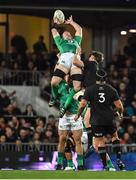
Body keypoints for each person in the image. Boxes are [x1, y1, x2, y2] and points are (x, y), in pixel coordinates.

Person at [75, 69, 125, 170]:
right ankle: (119, 159)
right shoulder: (111, 90)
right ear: (105, 78)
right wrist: (120, 113)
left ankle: (105, 165)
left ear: (96, 78)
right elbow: (119, 105)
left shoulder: (90, 89)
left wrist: (78, 115)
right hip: (109, 119)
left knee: (100, 142)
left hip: (96, 121)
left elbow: (83, 104)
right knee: (115, 136)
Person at [50, 15, 82, 116]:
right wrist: (55, 22)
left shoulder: (76, 41)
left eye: (68, 33)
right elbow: (53, 31)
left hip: (75, 60)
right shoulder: (60, 42)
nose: (67, 33)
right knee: (54, 82)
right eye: (65, 33)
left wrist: (71, 22)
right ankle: (54, 97)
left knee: (77, 87)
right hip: (64, 59)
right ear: (62, 37)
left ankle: (64, 107)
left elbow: (79, 29)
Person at [73, 51, 104, 148]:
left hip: (91, 94)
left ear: (93, 58)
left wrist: (76, 53)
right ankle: (91, 144)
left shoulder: (91, 63)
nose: (89, 57)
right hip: (95, 95)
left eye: (90, 56)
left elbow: (75, 62)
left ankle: (82, 103)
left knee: (75, 96)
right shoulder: (96, 69)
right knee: (87, 121)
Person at [56, 80, 84, 170]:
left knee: (78, 141)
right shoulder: (60, 85)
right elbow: (55, 95)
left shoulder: (78, 86)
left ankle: (80, 165)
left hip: (74, 115)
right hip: (64, 116)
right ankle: (59, 164)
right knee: (62, 139)